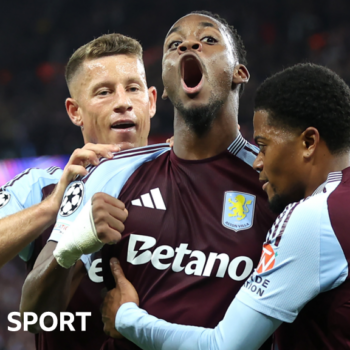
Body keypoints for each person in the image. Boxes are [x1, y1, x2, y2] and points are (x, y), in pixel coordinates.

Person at [51, 11, 276, 350]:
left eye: (209, 39)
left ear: (238, 73)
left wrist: (128, 320)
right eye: (175, 44)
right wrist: (68, 246)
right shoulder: (112, 173)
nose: (189, 44)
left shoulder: (272, 180)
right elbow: (36, 310)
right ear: (165, 89)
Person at [101, 63, 350, 350]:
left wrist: (127, 318)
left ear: (308, 142)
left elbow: (223, 346)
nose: (258, 161)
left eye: (264, 145)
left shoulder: (315, 217)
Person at [4, 33, 157, 350]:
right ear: (75, 111)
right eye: (104, 92)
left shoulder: (184, 181)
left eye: (133, 88)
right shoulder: (41, 186)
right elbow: (31, 318)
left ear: (151, 100)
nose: (123, 102)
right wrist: (52, 207)